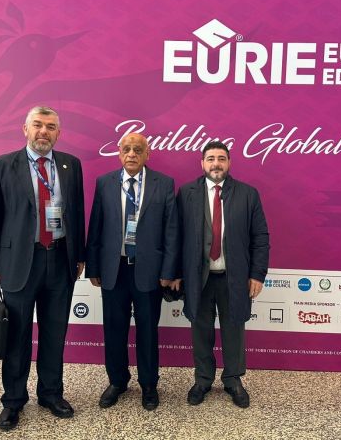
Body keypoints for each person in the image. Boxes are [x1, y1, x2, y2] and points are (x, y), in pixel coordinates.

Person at [0, 106, 85, 431]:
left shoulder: (71, 165)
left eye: (50, 127)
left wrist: (79, 255)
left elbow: (77, 212)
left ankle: (51, 394)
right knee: (18, 336)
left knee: (55, 334)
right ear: (25, 129)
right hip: (18, 263)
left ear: (58, 133)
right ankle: (13, 400)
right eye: (38, 125)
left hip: (60, 260)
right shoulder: (2, 165)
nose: (44, 132)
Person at [86, 133, 178, 411]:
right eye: (126, 149)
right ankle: (117, 381)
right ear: (119, 153)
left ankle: (149, 385)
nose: (132, 154)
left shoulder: (164, 183)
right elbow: (96, 226)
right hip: (114, 270)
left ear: (147, 154)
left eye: (138, 150)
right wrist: (93, 266)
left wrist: (169, 269)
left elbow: (171, 231)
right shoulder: (105, 183)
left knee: (147, 331)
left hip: (149, 271)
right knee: (114, 329)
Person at [177, 141, 269, 409]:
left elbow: (260, 238)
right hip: (198, 278)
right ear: (202, 163)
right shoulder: (186, 193)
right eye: (210, 158)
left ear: (229, 162)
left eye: (221, 158)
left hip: (234, 277)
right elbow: (175, 235)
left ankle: (233, 380)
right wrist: (176, 273)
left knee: (234, 329)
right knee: (200, 330)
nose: (215, 163)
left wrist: (257, 275)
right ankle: (203, 380)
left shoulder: (248, 194)